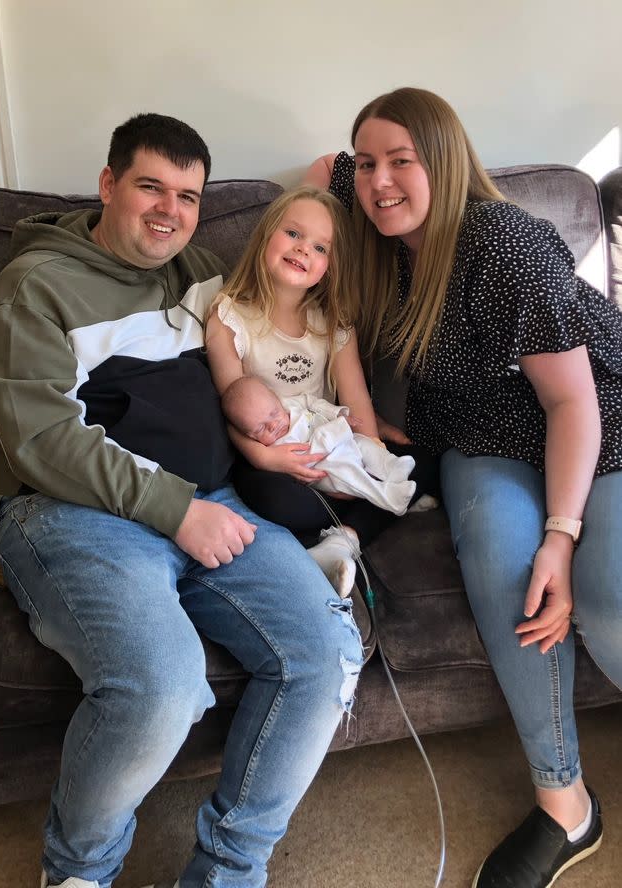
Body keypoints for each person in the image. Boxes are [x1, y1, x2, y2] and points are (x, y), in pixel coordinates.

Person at [0, 113, 364, 888]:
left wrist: (332, 182)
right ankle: (77, 871)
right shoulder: (35, 287)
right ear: (109, 185)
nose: (169, 211)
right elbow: (42, 442)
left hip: (216, 501)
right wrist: (175, 511)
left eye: (187, 195)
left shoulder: (201, 272)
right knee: (160, 689)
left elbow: (292, 271)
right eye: (150, 187)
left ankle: (228, 871)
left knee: (326, 657)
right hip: (76, 516)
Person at [304, 86, 622, 888]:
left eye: (402, 162)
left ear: (444, 163)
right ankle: (565, 805)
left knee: (605, 588)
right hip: (480, 435)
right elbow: (323, 170)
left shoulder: (504, 243)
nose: (379, 182)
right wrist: (345, 181)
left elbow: (569, 401)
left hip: (594, 423)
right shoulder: (373, 211)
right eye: (368, 163)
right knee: (498, 568)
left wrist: (562, 533)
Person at [205, 186, 439, 595]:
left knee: (428, 461)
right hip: (275, 455)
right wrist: (270, 459)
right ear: (266, 234)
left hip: (335, 443)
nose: (303, 251)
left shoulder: (331, 321)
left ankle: (343, 539)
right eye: (293, 234)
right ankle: (377, 506)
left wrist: (373, 456)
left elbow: (356, 401)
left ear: (330, 265)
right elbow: (232, 410)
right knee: (267, 496)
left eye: (320, 247)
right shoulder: (229, 317)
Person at [221, 374, 418, 519]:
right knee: (352, 475)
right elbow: (311, 456)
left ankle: (393, 468)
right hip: (326, 469)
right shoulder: (279, 446)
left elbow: (312, 402)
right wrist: (337, 430)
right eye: (260, 428)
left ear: (275, 398)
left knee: (365, 444)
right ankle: (390, 498)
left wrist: (337, 414)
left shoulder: (289, 405)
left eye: (273, 414)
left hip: (342, 441)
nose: (274, 425)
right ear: (249, 436)